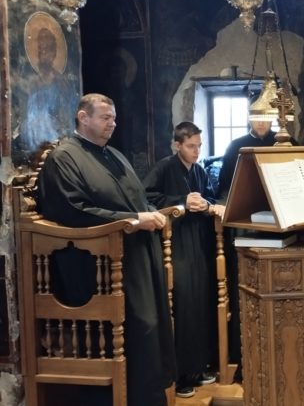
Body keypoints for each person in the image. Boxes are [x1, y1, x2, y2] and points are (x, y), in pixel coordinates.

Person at [37, 93, 176, 406]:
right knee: (140, 325)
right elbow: (72, 210)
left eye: (113, 118)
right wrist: (133, 219)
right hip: (99, 263)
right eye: (105, 118)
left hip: (135, 252)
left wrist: (149, 213)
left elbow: (137, 198)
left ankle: (148, 397)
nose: (112, 124)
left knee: (151, 324)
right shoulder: (64, 158)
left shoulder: (112, 153)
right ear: (83, 118)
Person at [143, 121, 225, 398]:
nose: (196, 151)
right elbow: (147, 198)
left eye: (199, 146)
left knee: (200, 304)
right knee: (183, 305)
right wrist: (181, 201)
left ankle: (198, 368)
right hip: (175, 246)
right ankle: (179, 376)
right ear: (176, 145)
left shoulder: (199, 170)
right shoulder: (164, 168)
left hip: (198, 244)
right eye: (191, 146)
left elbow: (210, 196)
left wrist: (208, 205)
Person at [216, 117, 277, 374]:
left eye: (265, 118)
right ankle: (244, 357)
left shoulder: (283, 143)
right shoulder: (237, 146)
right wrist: (224, 208)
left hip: (277, 224)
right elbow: (224, 188)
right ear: (250, 118)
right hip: (244, 223)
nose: (261, 123)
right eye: (256, 117)